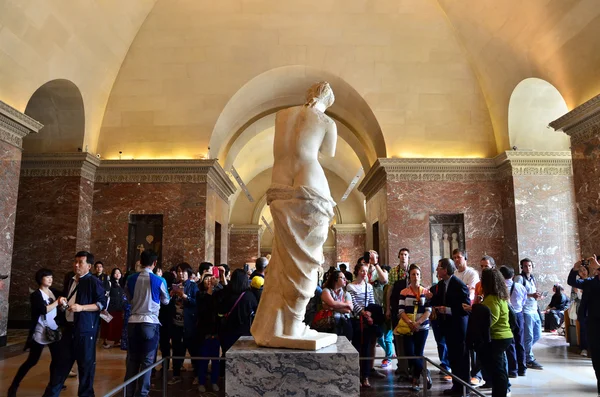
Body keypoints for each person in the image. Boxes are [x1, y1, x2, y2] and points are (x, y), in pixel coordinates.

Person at [251, 82, 337, 348]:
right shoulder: (326, 121)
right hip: (310, 182)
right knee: (307, 260)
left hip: (279, 184)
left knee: (285, 259)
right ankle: (292, 324)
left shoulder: (282, 115)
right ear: (328, 100)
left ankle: (285, 324)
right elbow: (328, 153)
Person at [43, 251, 107, 397]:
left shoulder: (93, 281)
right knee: (60, 365)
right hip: (68, 329)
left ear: (89, 266)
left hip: (85, 331)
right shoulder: (70, 279)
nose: (76, 265)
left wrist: (82, 308)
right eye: (75, 261)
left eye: (81, 262)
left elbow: (101, 304)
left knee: (85, 367)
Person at [8, 269, 65, 397]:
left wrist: (61, 304)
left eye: (51, 277)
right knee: (32, 361)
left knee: (57, 359)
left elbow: (61, 303)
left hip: (53, 330)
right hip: (40, 332)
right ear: (40, 279)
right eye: (47, 277)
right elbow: (43, 310)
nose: (50, 279)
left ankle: (54, 383)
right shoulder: (36, 295)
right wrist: (57, 302)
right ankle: (14, 385)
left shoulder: (53, 291)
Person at [123, 249, 170, 397]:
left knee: (132, 360)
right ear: (155, 263)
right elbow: (166, 301)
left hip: (133, 321)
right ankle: (142, 394)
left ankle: (127, 393)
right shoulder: (159, 280)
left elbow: (128, 297)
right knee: (147, 362)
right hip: (150, 322)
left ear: (141, 262)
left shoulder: (130, 278)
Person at [427, 258, 471, 396]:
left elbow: (465, 308)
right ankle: (456, 386)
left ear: (445, 270)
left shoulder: (459, 285)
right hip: (447, 327)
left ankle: (465, 389)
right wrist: (430, 298)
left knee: (461, 359)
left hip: (458, 327)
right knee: (452, 358)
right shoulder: (441, 284)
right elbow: (438, 299)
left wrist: (447, 310)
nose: (437, 270)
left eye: (439, 268)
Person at [478, 268, 513, 397]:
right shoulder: (500, 296)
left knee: (497, 371)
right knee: (500, 368)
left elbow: (491, 319)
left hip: (497, 337)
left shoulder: (492, 299)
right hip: (504, 336)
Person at [567, 257, 600, 395]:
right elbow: (572, 281)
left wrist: (597, 266)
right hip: (594, 323)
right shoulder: (590, 282)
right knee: (597, 358)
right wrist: (574, 269)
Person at [398, 264, 432, 392]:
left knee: (418, 353)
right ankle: (425, 371)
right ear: (409, 276)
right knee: (410, 354)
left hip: (422, 328)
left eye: (417, 274)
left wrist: (418, 323)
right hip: (408, 327)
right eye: (413, 274)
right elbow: (401, 310)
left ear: (420, 276)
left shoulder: (425, 292)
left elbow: (428, 310)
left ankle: (415, 381)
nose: (415, 277)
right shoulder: (404, 292)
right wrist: (410, 323)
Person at [347, 262, 380, 388]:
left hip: (367, 321)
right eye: (362, 270)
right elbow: (353, 303)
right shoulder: (350, 286)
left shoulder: (369, 287)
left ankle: (365, 376)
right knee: (356, 348)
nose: (364, 273)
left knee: (366, 349)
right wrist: (362, 313)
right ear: (357, 272)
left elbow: (371, 302)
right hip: (356, 320)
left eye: (366, 271)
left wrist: (369, 314)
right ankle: (356, 375)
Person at [452, 249, 481, 386]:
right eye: (455, 258)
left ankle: (476, 374)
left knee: (472, 344)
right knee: (461, 343)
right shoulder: (455, 274)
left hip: (470, 310)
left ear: (465, 258)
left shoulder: (472, 273)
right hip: (459, 311)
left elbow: (471, 290)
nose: (457, 260)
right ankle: (461, 373)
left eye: (459, 257)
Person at [168, 262, 199, 385]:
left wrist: (185, 296)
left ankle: (197, 374)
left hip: (189, 324)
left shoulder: (193, 286)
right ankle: (176, 374)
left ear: (189, 273)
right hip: (176, 323)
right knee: (176, 349)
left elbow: (196, 303)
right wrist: (170, 296)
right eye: (179, 271)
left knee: (193, 349)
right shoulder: (174, 286)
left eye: (183, 271)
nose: (181, 274)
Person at [218, 268, 258, 354]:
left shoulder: (227, 295)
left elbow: (221, 310)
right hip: (245, 333)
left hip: (228, 332)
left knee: (226, 356)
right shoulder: (250, 296)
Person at [513, 258, 543, 370]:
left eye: (529, 265)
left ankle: (524, 352)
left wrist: (538, 296)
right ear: (522, 267)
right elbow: (517, 292)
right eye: (525, 266)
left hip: (534, 309)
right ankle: (528, 358)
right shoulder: (519, 278)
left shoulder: (532, 278)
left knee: (537, 334)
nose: (528, 268)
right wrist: (531, 295)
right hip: (525, 310)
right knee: (528, 335)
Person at [499, 265, 528, 377]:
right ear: (513, 276)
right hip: (519, 314)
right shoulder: (520, 287)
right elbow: (524, 300)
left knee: (510, 343)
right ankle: (522, 368)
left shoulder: (500, 287)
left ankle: (513, 370)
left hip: (507, 315)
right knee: (520, 342)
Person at [388, 248, 411, 378]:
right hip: (396, 307)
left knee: (409, 337)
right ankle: (401, 365)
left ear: (409, 256)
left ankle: (409, 365)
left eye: (405, 255)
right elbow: (390, 290)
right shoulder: (393, 272)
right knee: (397, 337)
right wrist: (387, 308)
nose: (403, 257)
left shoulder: (413, 270)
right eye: (401, 254)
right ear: (398, 256)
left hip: (409, 309)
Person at [196, 273, 220, 393]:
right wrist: (210, 290)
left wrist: (219, 283)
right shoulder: (200, 294)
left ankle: (214, 381)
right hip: (204, 331)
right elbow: (203, 310)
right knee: (203, 359)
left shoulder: (217, 293)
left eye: (211, 279)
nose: (209, 281)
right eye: (206, 279)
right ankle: (201, 382)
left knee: (216, 360)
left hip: (215, 331)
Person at [320, 269, 353, 340]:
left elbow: (348, 310)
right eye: (343, 278)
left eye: (345, 278)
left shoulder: (346, 294)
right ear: (335, 279)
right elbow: (332, 303)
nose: (345, 280)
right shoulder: (326, 291)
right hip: (329, 324)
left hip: (344, 324)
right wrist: (346, 304)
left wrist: (330, 307)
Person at [101, 268, 127, 349]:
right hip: (110, 308)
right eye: (115, 273)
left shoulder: (122, 284)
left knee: (118, 325)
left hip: (119, 308)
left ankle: (117, 341)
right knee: (109, 325)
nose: (117, 274)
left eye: (119, 273)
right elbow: (106, 295)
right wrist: (104, 307)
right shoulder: (109, 283)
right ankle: (107, 342)